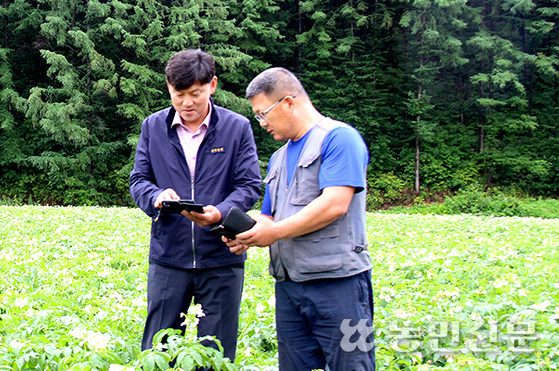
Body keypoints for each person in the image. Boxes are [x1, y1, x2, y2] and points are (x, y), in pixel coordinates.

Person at [225, 67, 375, 370]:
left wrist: (275, 232)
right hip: (291, 287)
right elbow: (269, 218)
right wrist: (249, 234)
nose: (262, 123)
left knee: (354, 364)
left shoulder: (340, 139)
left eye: (263, 114)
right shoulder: (279, 157)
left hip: (341, 285)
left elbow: (335, 204)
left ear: (289, 103)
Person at [129, 49, 261, 361]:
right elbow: (139, 180)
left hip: (221, 259)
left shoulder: (236, 127)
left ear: (212, 85)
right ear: (168, 87)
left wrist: (222, 212)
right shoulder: (153, 127)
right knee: (159, 352)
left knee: (214, 354)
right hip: (168, 258)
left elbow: (249, 184)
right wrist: (156, 197)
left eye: (196, 94)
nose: (187, 103)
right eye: (179, 94)